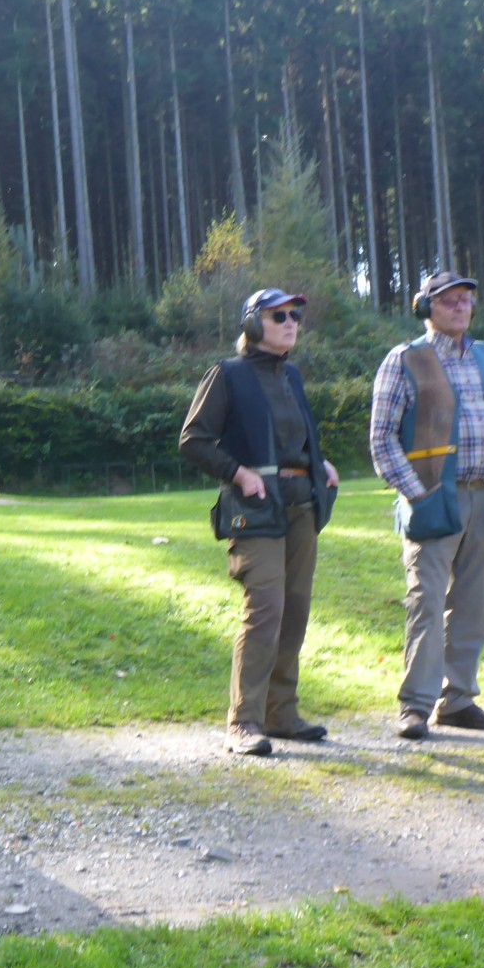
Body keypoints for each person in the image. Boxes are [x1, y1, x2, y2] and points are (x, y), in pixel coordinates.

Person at [369, 271, 484, 741]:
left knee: (473, 605)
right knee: (426, 603)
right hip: (432, 499)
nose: (460, 307)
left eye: (465, 300)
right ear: (426, 309)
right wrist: (417, 492)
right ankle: (416, 706)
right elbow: (381, 439)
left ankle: (458, 700)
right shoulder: (404, 360)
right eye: (448, 301)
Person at [179, 287, 340, 756]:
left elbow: (293, 440)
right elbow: (193, 440)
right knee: (266, 610)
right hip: (255, 511)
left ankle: (281, 714)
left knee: (295, 610)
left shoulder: (291, 375)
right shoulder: (227, 375)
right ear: (253, 325)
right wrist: (239, 473)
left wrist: (318, 463)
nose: (291, 323)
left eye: (295, 316)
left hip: (301, 505)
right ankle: (243, 722)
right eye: (279, 316)